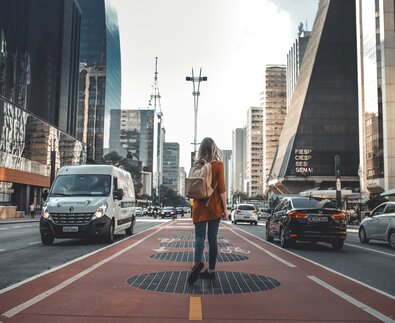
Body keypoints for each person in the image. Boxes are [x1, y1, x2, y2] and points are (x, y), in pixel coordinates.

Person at [188, 137, 229, 285]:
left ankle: (196, 264)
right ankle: (211, 271)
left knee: (199, 237)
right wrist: (225, 209)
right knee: (212, 239)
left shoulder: (196, 165)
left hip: (199, 207)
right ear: (214, 149)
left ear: (201, 150)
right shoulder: (219, 165)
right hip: (214, 208)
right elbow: (222, 189)